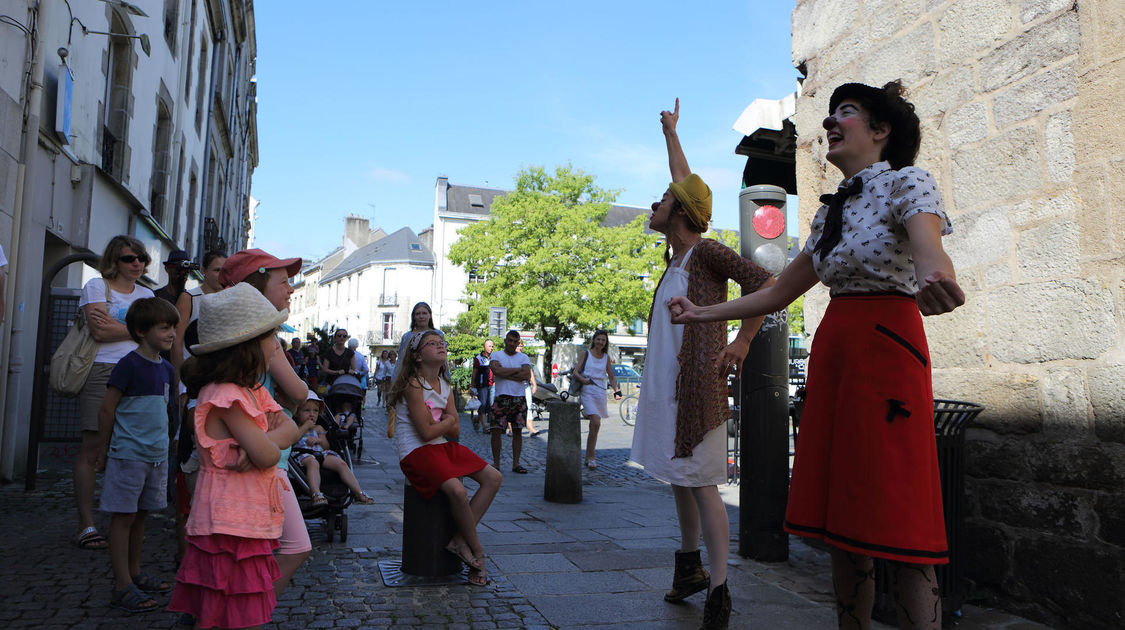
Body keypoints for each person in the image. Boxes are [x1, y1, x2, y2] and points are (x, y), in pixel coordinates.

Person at [668, 82, 966, 630]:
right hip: (836, 356)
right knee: (845, 516)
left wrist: (934, 274)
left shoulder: (908, 181)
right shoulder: (827, 216)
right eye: (829, 113)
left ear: (881, 131)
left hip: (886, 352)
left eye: (846, 113)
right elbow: (779, 291)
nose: (830, 121)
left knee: (902, 516)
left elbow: (928, 245)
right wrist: (702, 314)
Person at [628, 99, 774, 630]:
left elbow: (766, 284)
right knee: (680, 478)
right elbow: (683, 180)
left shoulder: (707, 252)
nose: (656, 200)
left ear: (682, 214)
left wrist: (742, 340)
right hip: (671, 388)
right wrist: (670, 132)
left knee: (704, 484)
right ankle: (688, 569)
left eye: (664, 199)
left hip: (700, 390)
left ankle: (718, 589)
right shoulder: (677, 256)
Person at [169, 283, 303, 630]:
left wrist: (262, 442)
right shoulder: (226, 394)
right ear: (246, 345)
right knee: (227, 616)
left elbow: (288, 427)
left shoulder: (251, 389)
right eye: (270, 336)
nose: (276, 345)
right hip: (228, 526)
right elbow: (269, 453)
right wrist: (262, 444)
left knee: (240, 613)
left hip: (245, 521)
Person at [219, 248, 313, 598]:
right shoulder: (263, 338)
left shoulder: (236, 333)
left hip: (255, 448)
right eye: (284, 281)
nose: (290, 289)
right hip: (263, 455)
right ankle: (244, 613)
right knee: (290, 546)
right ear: (256, 285)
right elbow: (298, 390)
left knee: (241, 554)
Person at [388, 329, 501, 586]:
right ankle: (477, 552)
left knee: (493, 478)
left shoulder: (446, 385)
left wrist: (445, 423)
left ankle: (460, 539)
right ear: (417, 356)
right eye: (433, 343)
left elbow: (455, 429)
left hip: (439, 447)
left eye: (442, 343)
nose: (440, 346)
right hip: (415, 452)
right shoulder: (413, 384)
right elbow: (426, 433)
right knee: (458, 491)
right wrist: (447, 420)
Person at [94, 297, 179, 612]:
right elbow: (106, 409)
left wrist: (168, 439)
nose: (171, 333)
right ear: (142, 331)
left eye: (173, 327)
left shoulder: (167, 368)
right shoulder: (128, 364)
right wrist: (103, 450)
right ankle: (121, 584)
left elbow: (166, 411)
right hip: (128, 454)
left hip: (155, 456)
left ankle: (134, 571)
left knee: (141, 515)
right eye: (165, 327)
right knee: (124, 516)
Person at [74, 235, 157, 551]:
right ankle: (85, 523)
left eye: (141, 258)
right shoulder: (97, 287)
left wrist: (118, 327)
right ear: (114, 260)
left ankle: (122, 523)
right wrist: (142, 330)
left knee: (131, 451)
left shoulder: (147, 293)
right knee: (93, 447)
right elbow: (99, 331)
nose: (137, 263)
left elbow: (159, 333)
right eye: (128, 258)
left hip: (141, 371)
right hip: (103, 371)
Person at [292, 393, 375, 506]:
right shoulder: (295, 427)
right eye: (307, 410)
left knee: (340, 463)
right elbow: (292, 440)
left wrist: (320, 440)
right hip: (303, 455)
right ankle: (316, 493)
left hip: (320, 453)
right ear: (297, 412)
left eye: (315, 411)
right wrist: (305, 427)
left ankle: (358, 492)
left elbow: (326, 446)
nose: (312, 414)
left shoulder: (319, 428)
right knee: (313, 463)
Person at [572, 330, 623, 469]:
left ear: (606, 343)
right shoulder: (586, 354)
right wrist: (583, 380)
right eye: (599, 339)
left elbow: (611, 376)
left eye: (603, 340)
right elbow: (575, 372)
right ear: (594, 340)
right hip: (587, 390)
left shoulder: (606, 357)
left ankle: (589, 456)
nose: (601, 342)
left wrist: (616, 390)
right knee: (595, 421)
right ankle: (591, 456)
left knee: (595, 425)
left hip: (600, 392)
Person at [489, 330, 533, 474]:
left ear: (518, 342)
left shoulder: (524, 357)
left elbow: (526, 375)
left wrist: (505, 372)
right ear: (505, 341)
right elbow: (496, 371)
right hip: (501, 397)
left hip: (518, 398)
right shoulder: (496, 355)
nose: (512, 343)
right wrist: (516, 372)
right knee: (496, 431)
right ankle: (496, 463)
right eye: (510, 340)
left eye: (515, 341)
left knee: (518, 431)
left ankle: (516, 463)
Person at [394, 301, 438, 379]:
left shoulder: (438, 334)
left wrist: (447, 379)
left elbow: (442, 359)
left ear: (430, 315)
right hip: (411, 377)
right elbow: (401, 360)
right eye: (418, 314)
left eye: (424, 313)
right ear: (414, 317)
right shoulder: (407, 336)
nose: (421, 316)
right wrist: (395, 379)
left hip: (433, 377)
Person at [517, 340, 542, 437]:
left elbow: (530, 371)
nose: (520, 347)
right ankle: (511, 430)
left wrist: (534, 384)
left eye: (521, 345)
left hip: (525, 385)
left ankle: (531, 428)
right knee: (514, 407)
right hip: (515, 386)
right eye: (518, 346)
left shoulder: (525, 357)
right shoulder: (510, 357)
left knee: (529, 406)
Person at [470, 339, 495, 433]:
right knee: (483, 404)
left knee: (491, 405)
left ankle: (480, 420)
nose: (491, 348)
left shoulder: (494, 358)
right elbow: (474, 373)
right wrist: (473, 386)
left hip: (492, 384)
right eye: (489, 346)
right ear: (484, 347)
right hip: (482, 385)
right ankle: (485, 427)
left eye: (492, 346)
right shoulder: (478, 358)